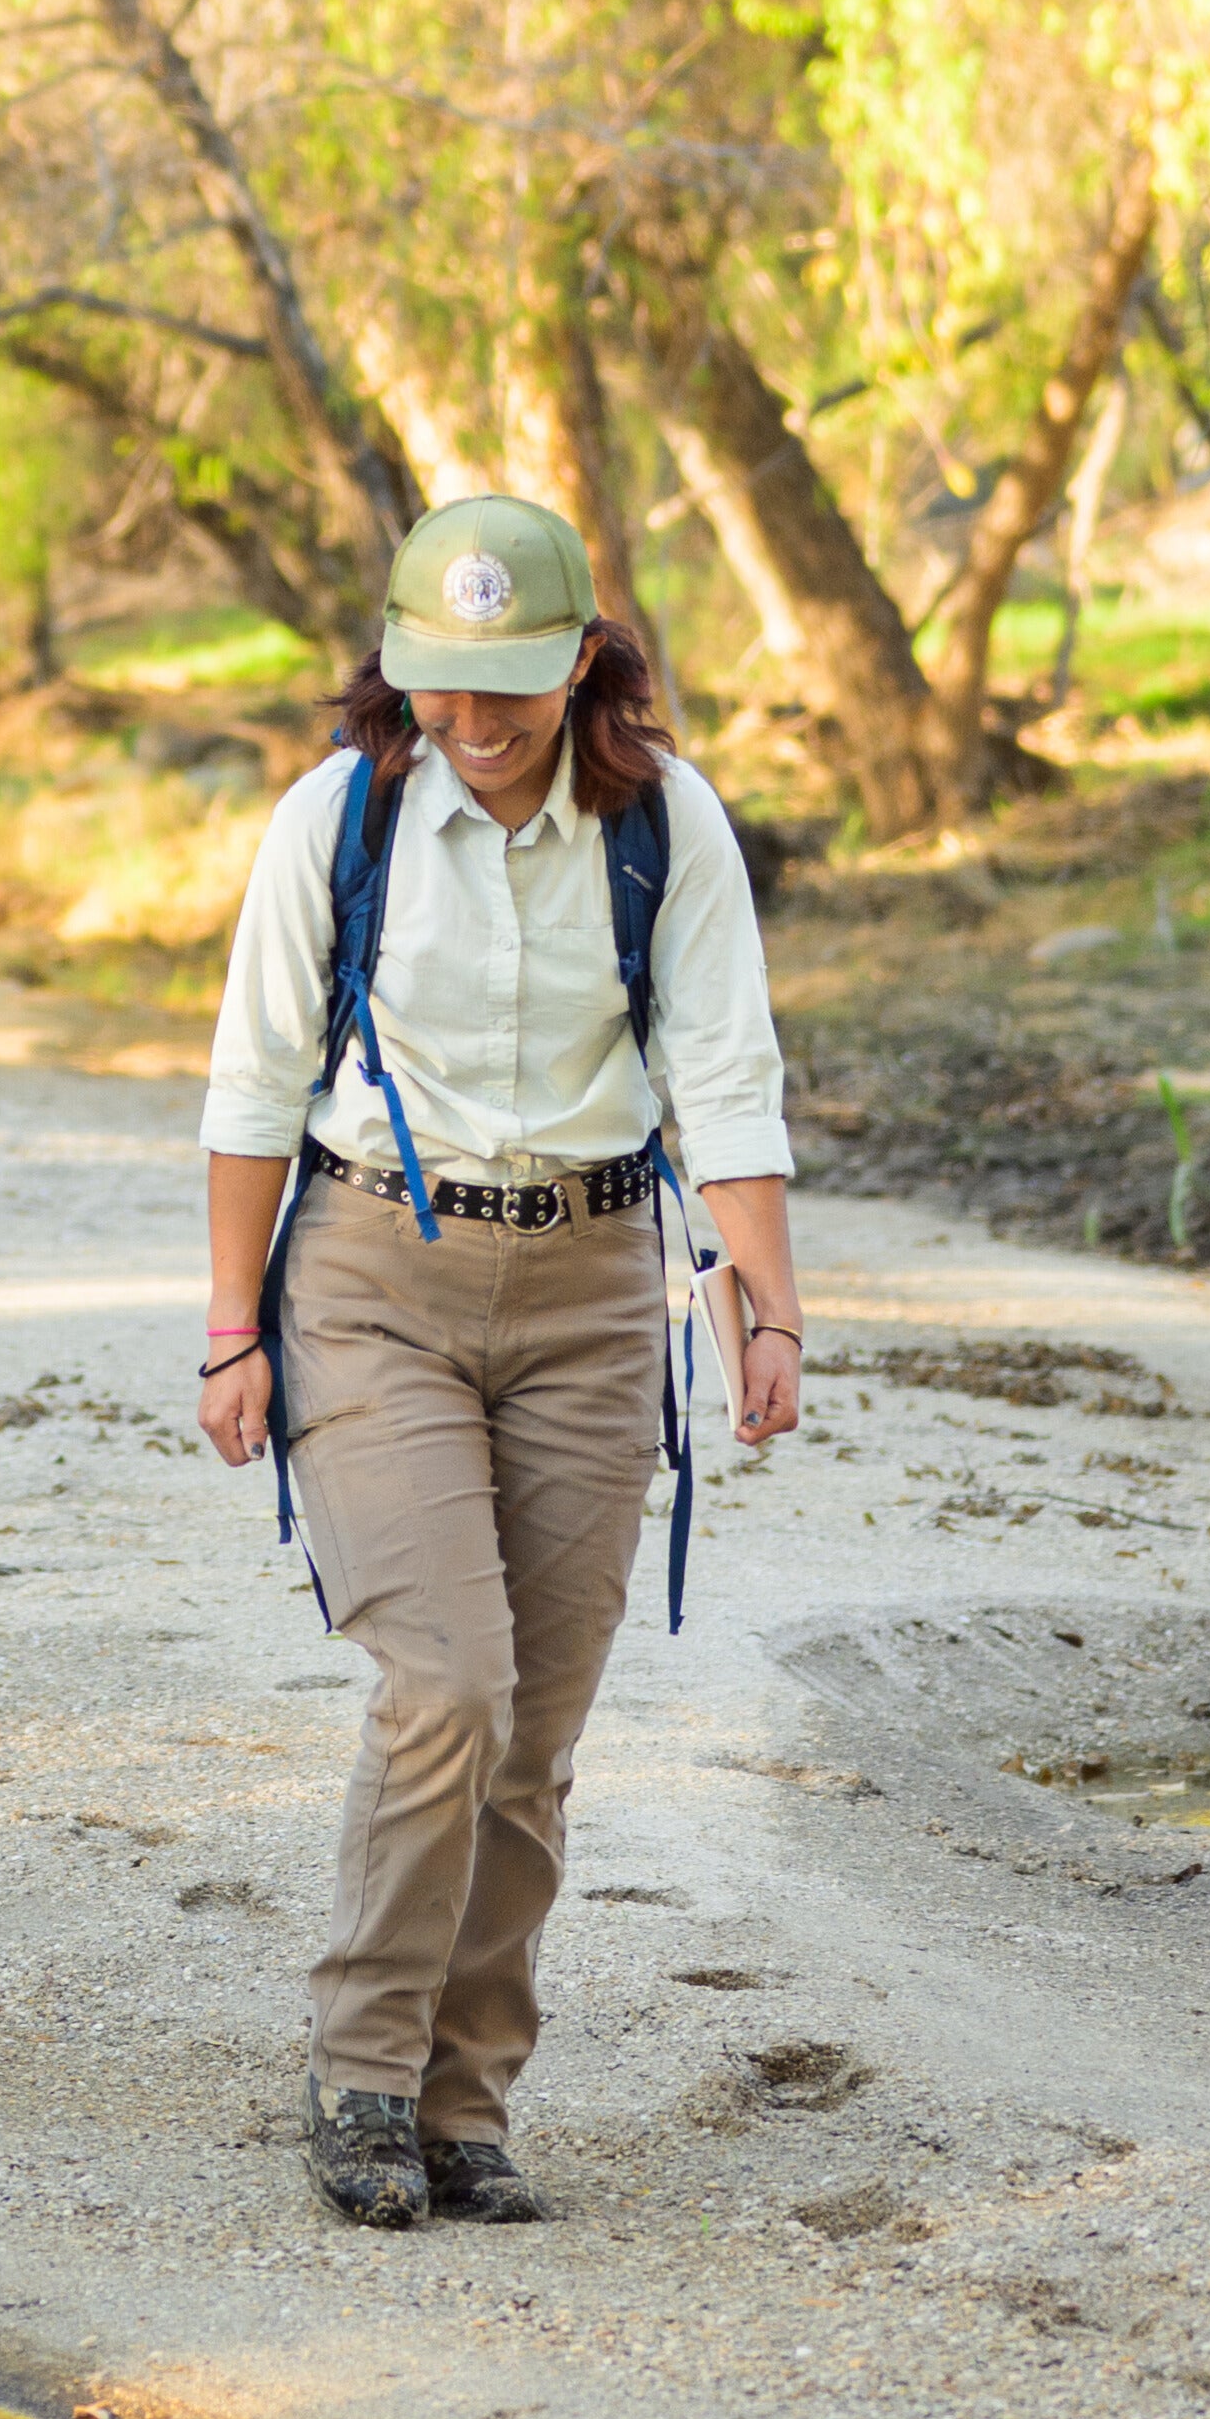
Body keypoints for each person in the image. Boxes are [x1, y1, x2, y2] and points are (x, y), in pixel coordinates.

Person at [193, 493, 805, 2231]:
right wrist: (234, 1331)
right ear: (401, 673)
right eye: (445, 688)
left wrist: (767, 1308)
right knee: (445, 1685)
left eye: (511, 688)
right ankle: (363, 2071)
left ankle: (467, 2104)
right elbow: (251, 1093)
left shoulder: (668, 828)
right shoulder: (342, 821)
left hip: (600, 1290)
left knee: (534, 1727)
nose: (477, 724)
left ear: (582, 664)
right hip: (376, 1273)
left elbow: (730, 1082)